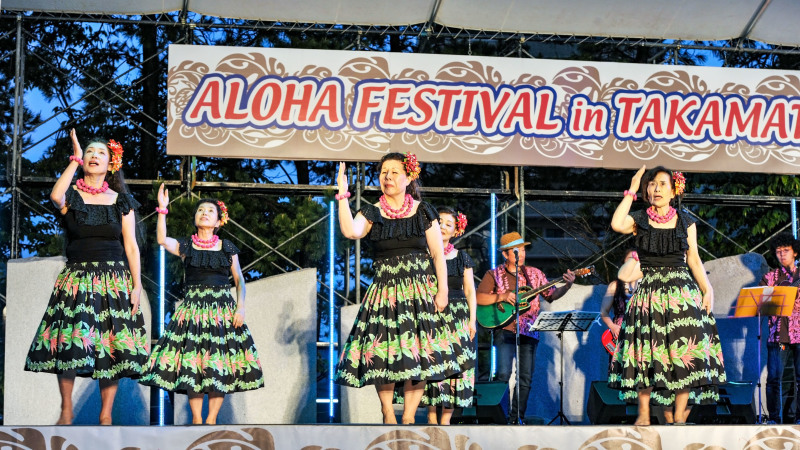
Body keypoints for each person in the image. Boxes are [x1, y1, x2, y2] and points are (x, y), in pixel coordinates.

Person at [25, 129, 149, 425]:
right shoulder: (71, 197)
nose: (94, 156)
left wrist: (136, 285)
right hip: (78, 276)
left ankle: (105, 415)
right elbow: (55, 195)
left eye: (100, 153)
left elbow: (131, 246)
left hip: (115, 279)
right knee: (70, 341)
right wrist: (74, 159)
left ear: (111, 164)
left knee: (112, 345)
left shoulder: (121, 201)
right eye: (90, 152)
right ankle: (66, 410)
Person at [334, 152, 467, 425]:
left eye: (394, 171)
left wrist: (442, 291)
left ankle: (407, 417)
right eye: (384, 172)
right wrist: (343, 197)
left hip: (419, 292)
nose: (388, 176)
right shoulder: (371, 211)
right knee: (383, 353)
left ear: (408, 178)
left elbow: (437, 254)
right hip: (384, 292)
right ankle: (387, 411)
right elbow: (350, 231)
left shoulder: (423, 210)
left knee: (418, 355)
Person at [609, 165, 726, 426]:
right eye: (651, 185)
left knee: (684, 350)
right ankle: (643, 414)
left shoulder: (686, 221)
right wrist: (633, 184)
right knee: (647, 351)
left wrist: (708, 289)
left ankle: (680, 416)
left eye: (662, 184)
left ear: (674, 191)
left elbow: (694, 259)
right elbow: (617, 223)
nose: (656, 188)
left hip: (681, 292)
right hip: (649, 291)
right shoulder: (639, 219)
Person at [140, 185, 264, 424]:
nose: (204, 213)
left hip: (221, 311)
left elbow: (239, 281)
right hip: (193, 310)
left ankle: (211, 420)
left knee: (218, 363)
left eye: (210, 211)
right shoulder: (187, 245)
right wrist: (162, 210)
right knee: (193, 364)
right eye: (200, 210)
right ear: (195, 218)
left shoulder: (227, 247)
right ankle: (197, 420)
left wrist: (241, 307)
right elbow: (162, 239)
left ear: (218, 221)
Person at [476, 231, 576, 424]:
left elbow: (551, 295)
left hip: (529, 331)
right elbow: (479, 297)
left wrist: (567, 286)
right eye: (516, 250)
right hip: (504, 330)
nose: (521, 253)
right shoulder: (493, 274)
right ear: (505, 254)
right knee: (503, 374)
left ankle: (516, 418)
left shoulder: (535, 274)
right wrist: (502, 296)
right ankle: (499, 417)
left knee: (525, 378)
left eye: (522, 249)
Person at [421, 207, 477, 425]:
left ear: (456, 230)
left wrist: (472, 320)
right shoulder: (423, 255)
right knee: (432, 364)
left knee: (456, 366)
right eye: (440, 222)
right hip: (431, 314)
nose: (443, 227)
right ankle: (431, 417)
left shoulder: (462, 257)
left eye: (448, 224)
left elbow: (470, 290)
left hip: (458, 316)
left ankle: (446, 421)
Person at [760, 232, 800, 424]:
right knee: (774, 379)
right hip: (777, 335)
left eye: (786, 251)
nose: (782, 254)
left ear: (795, 253)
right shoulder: (769, 277)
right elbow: (759, 304)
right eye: (778, 251)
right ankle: (774, 419)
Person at [600, 249, 640, 349]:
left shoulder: (646, 284)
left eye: (637, 260)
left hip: (640, 333)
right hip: (619, 334)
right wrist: (612, 326)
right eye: (631, 259)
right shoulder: (615, 285)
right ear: (623, 262)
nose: (634, 262)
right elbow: (603, 312)